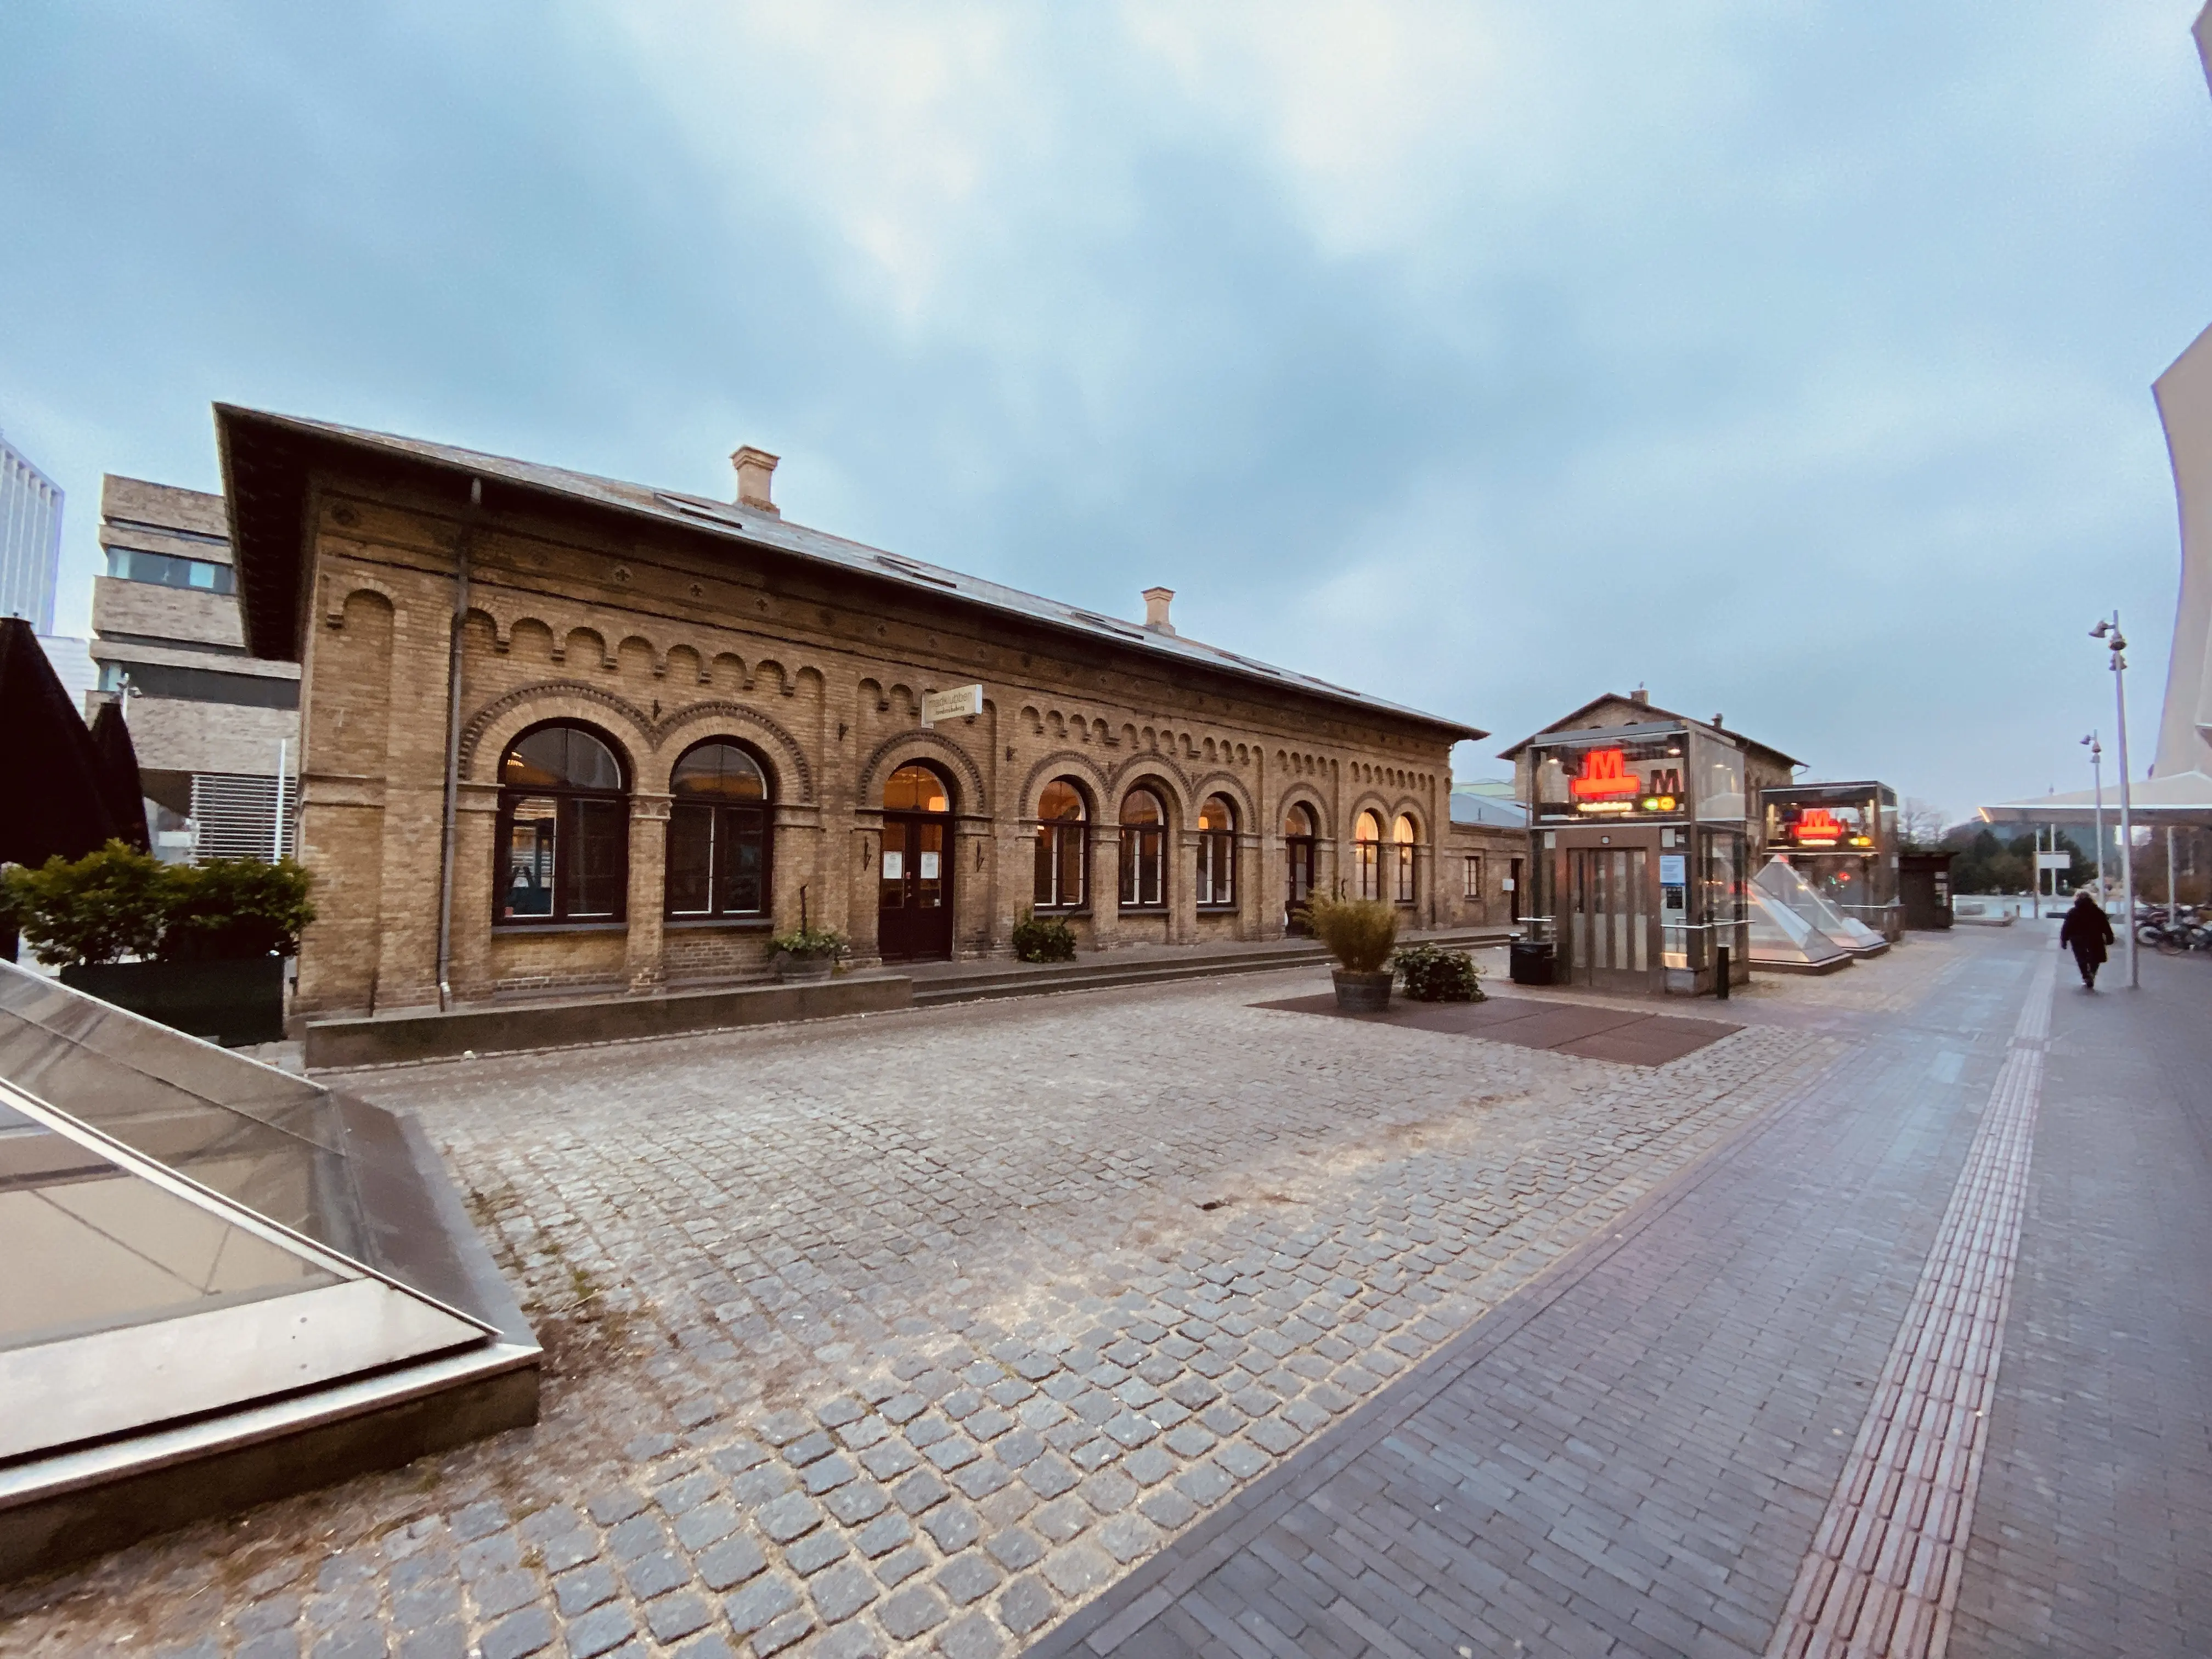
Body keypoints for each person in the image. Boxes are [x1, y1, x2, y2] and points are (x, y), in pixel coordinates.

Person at [2058, 888, 2115, 989]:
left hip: (2077, 939)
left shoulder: (2073, 912)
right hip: (2095, 938)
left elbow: (2066, 927)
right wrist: (2110, 937)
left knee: (2081, 958)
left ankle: (2086, 976)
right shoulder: (2098, 911)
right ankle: (2092, 974)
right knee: (2096, 957)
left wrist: (2064, 940)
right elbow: (2105, 926)